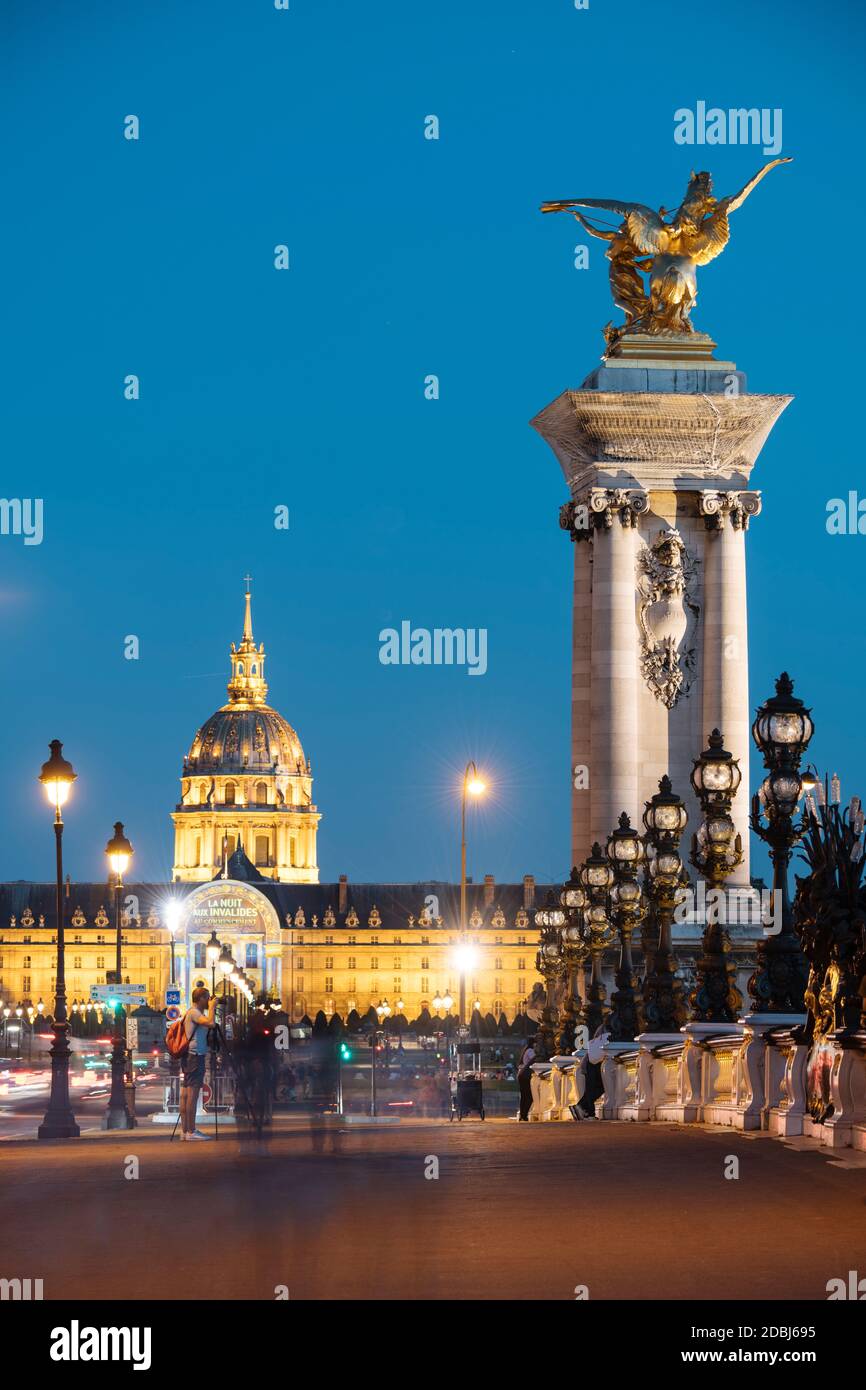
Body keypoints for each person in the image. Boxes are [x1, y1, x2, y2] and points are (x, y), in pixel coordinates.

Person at [179, 986, 217, 1141]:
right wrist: (213, 1007)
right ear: (201, 999)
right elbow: (211, 1023)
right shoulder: (195, 1013)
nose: (209, 1001)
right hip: (195, 1056)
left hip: (189, 1056)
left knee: (186, 1095)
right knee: (192, 1095)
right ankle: (191, 1131)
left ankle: (185, 1130)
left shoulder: (190, 1012)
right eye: (207, 998)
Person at [517, 1038, 537, 1121]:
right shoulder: (530, 1051)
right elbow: (534, 1059)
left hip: (522, 1074)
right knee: (529, 1096)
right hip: (526, 1076)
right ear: (533, 1044)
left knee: (524, 1096)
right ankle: (524, 1115)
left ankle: (522, 1115)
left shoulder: (526, 1050)